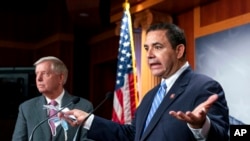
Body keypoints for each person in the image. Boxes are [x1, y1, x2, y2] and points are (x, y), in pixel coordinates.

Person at [60, 23, 229, 141]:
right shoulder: (150, 96)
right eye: (147, 48)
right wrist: (88, 120)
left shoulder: (203, 87)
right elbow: (132, 135)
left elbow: (222, 136)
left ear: (179, 51)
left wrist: (201, 126)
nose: (149, 55)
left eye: (158, 47)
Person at [12, 56, 94, 141]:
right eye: (37, 74)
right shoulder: (26, 108)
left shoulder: (83, 106)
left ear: (60, 78)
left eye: (45, 73)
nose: (38, 79)